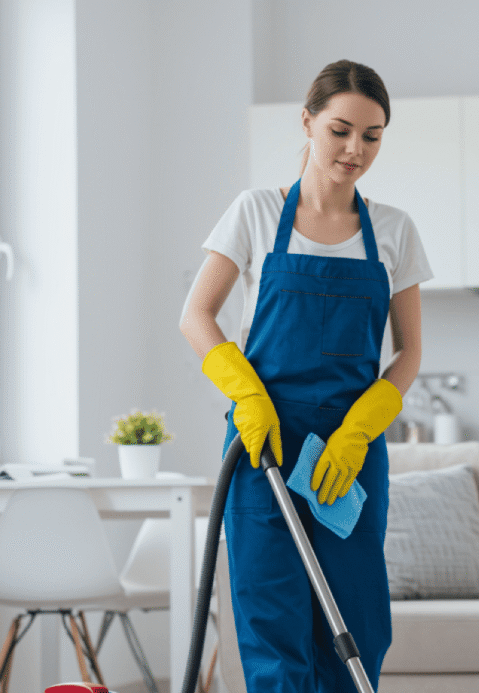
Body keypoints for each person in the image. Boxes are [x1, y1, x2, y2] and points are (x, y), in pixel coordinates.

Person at [179, 59, 433, 692]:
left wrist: (359, 432)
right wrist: (246, 394)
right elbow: (196, 316)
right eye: (340, 130)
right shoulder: (257, 212)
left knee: (356, 628)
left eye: (371, 137)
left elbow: (409, 354)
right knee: (272, 627)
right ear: (308, 122)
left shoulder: (394, 231)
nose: (354, 150)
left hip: (347, 456)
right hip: (264, 445)